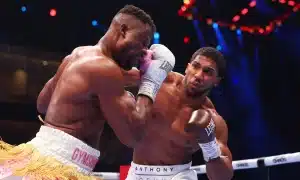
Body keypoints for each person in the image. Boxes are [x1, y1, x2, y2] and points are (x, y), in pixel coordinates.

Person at [0, 5, 175, 180]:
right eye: (142, 42)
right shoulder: (105, 69)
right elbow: (133, 137)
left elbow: (43, 105)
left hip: (41, 157)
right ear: (123, 30)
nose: (144, 51)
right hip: (60, 168)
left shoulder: (78, 54)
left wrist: (149, 71)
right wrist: (151, 83)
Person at [125, 47, 233, 180]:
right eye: (195, 66)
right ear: (188, 67)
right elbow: (113, 77)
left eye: (207, 72)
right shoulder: (159, 80)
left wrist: (210, 146)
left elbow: (223, 177)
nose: (198, 75)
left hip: (178, 176)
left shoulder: (213, 120)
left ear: (217, 81)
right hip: (136, 173)